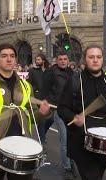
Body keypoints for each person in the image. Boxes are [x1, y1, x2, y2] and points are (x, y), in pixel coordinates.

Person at [0, 43, 52, 180]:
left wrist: (43, 113)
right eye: (4, 56)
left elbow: (31, 116)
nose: (9, 59)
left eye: (12, 56)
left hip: (21, 149)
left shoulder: (26, 87)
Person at [58, 45, 106, 180]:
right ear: (85, 60)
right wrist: (74, 117)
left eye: (98, 57)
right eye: (91, 57)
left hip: (105, 140)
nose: (95, 60)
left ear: (102, 59)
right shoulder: (75, 80)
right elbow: (62, 108)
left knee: (97, 176)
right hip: (82, 140)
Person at [40, 51, 75, 179]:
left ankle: (72, 162)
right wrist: (44, 102)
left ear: (68, 60)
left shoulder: (72, 73)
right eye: (60, 59)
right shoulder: (51, 72)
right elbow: (44, 89)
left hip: (71, 111)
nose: (63, 61)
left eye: (65, 59)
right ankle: (67, 168)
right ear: (56, 60)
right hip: (58, 110)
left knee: (73, 139)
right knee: (64, 139)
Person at [27, 54, 52, 152]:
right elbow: (29, 84)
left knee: (51, 119)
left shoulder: (49, 71)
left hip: (48, 98)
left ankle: (43, 134)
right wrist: (35, 91)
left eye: (38, 59)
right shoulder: (32, 71)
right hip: (37, 98)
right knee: (41, 120)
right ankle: (41, 140)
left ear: (43, 60)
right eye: (36, 59)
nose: (37, 61)